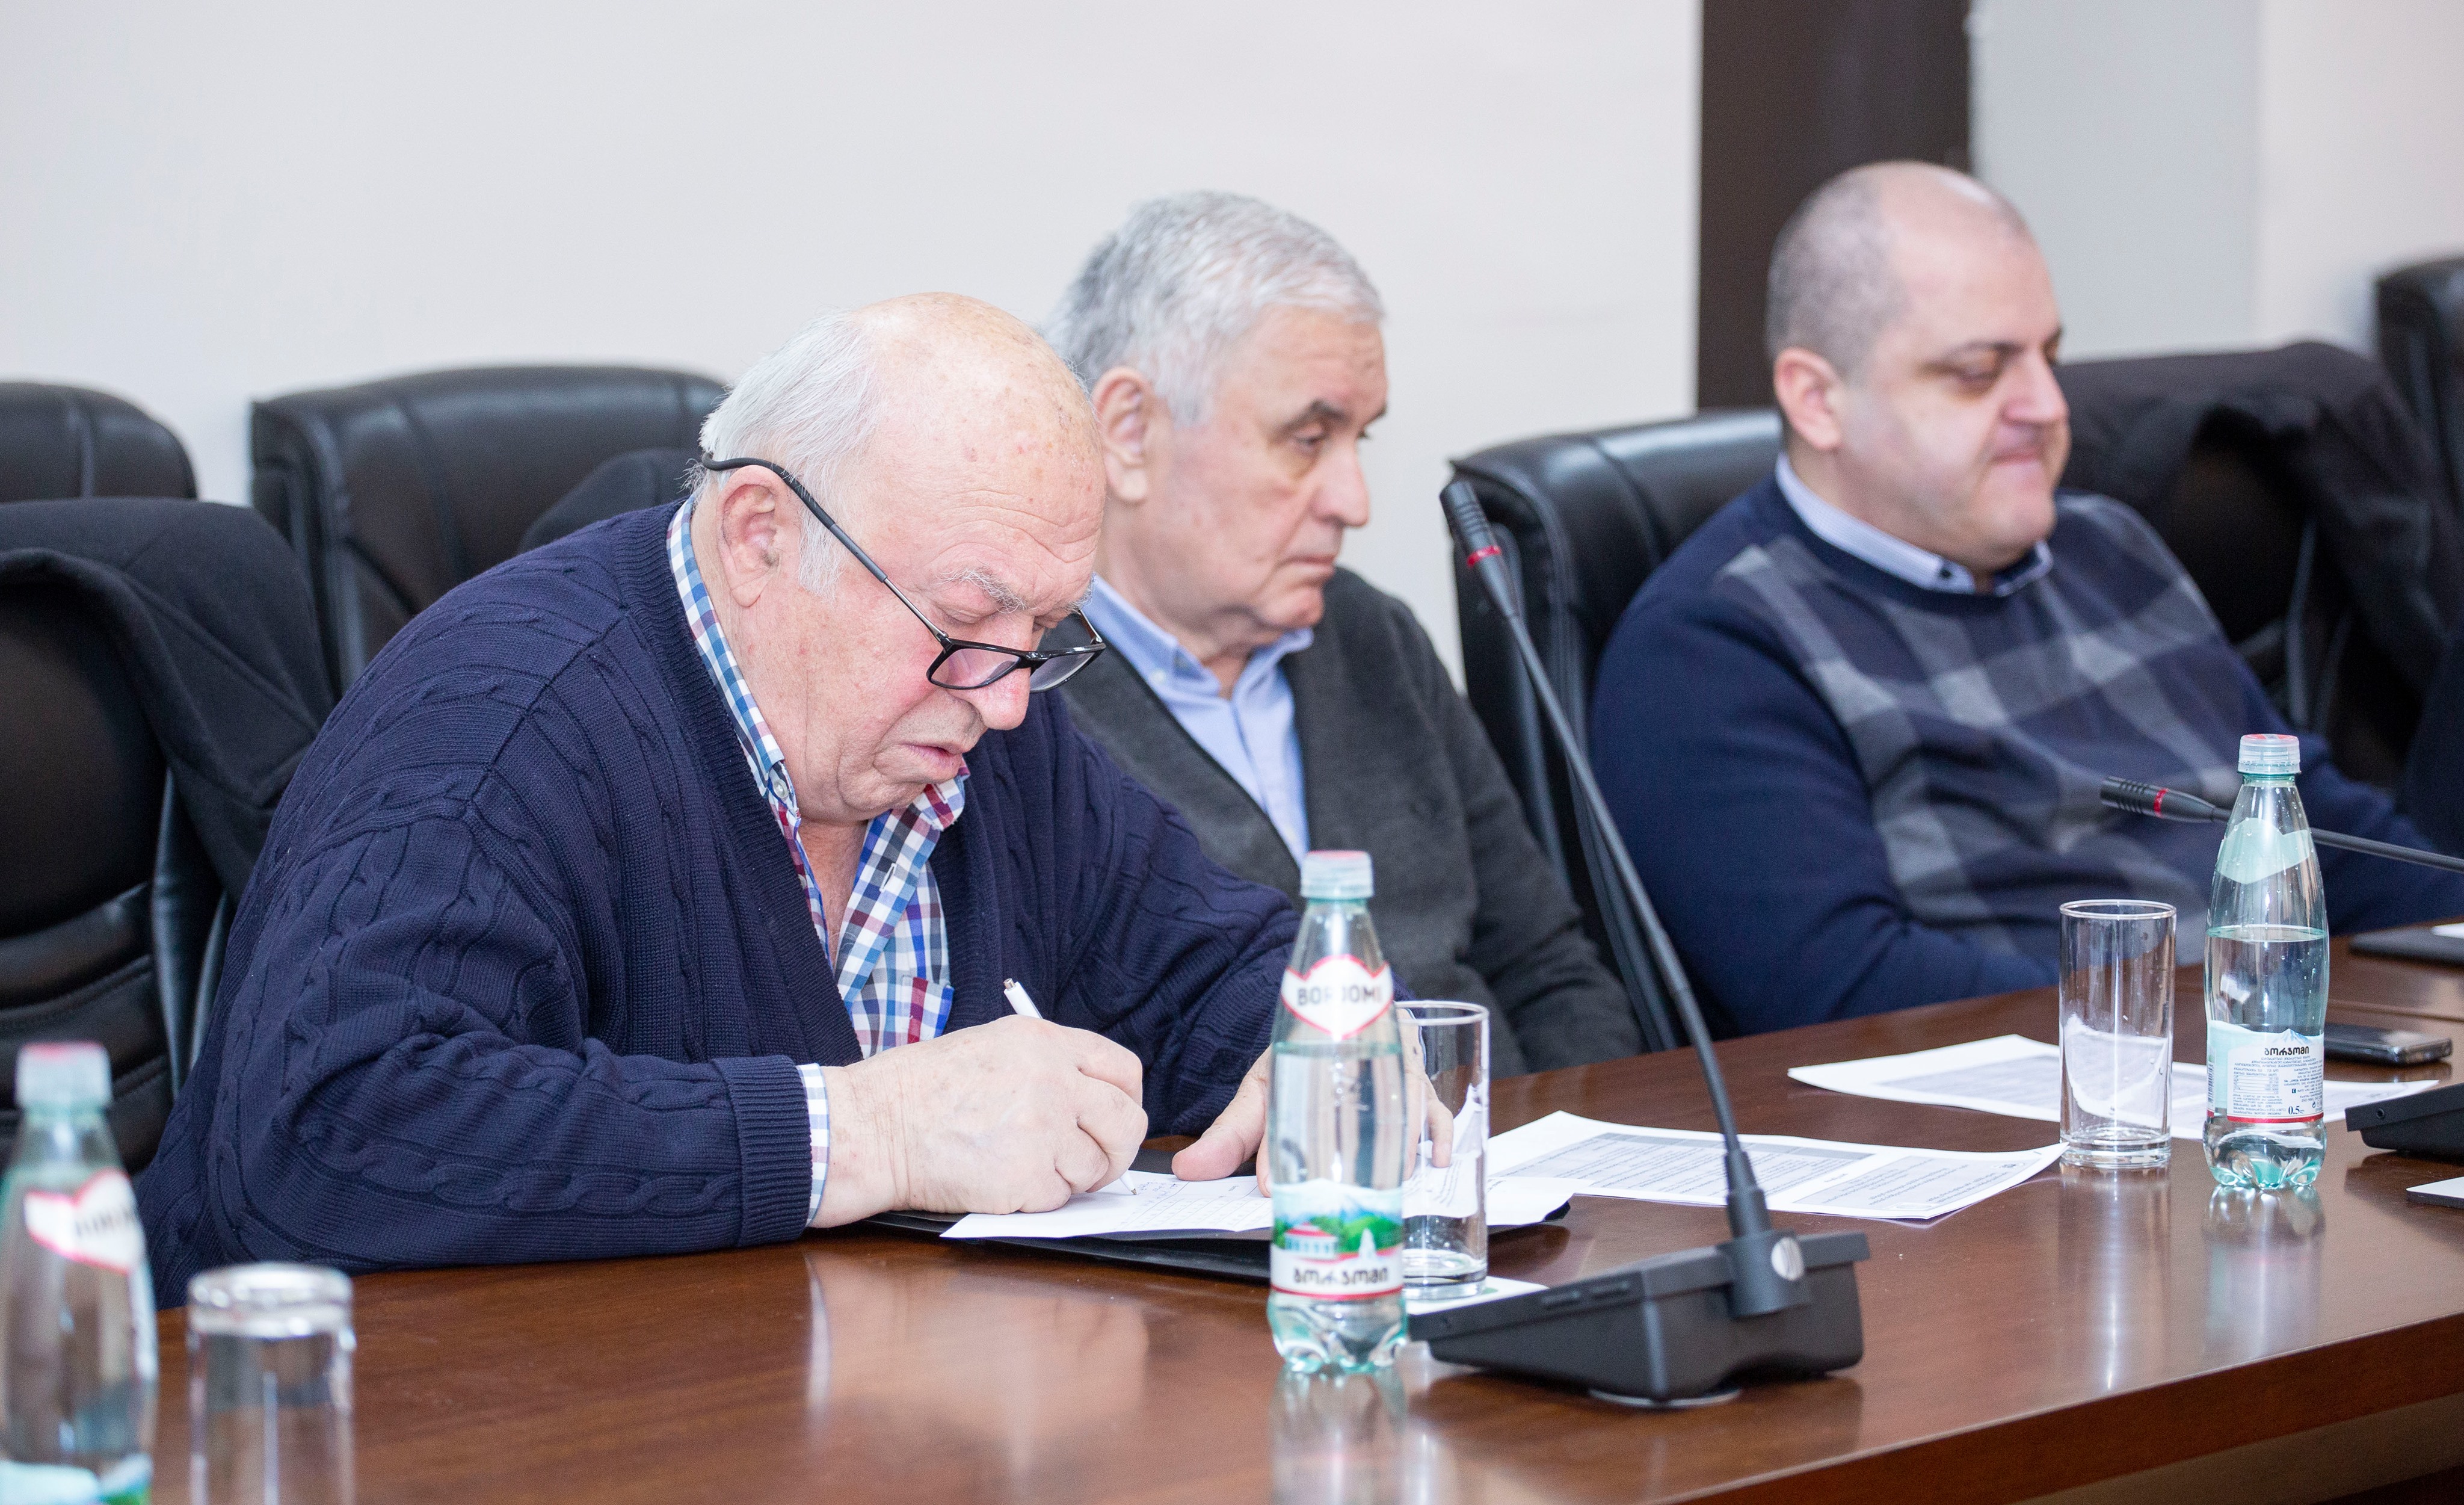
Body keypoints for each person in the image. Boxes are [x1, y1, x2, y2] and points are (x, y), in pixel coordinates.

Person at [138, 294, 1295, 1291]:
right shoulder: (500, 719)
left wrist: (1323, 1047)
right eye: (965, 617)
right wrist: (873, 1132)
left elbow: (1220, 965)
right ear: (759, 536)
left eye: (1044, 630)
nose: (1007, 700)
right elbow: (322, 1132)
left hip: (813, 1404)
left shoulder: (978, 714)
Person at [1591, 162, 2464, 1036]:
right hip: (2054, 1094)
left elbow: (2321, 838)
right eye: (1979, 372)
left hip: (2272, 1059)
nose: (2047, 406)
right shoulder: (1712, 647)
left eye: (2049, 358)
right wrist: (2230, 1018)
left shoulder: (2110, 547)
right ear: (1818, 401)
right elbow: (1848, 991)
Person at [1044, 192, 1640, 1074]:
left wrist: (1571, 1145)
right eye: (1308, 438)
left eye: (1360, 440)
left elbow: (1548, 971)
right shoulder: (1020, 688)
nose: (1354, 503)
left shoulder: (1370, 636)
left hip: (1495, 1146)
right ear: (1129, 432)